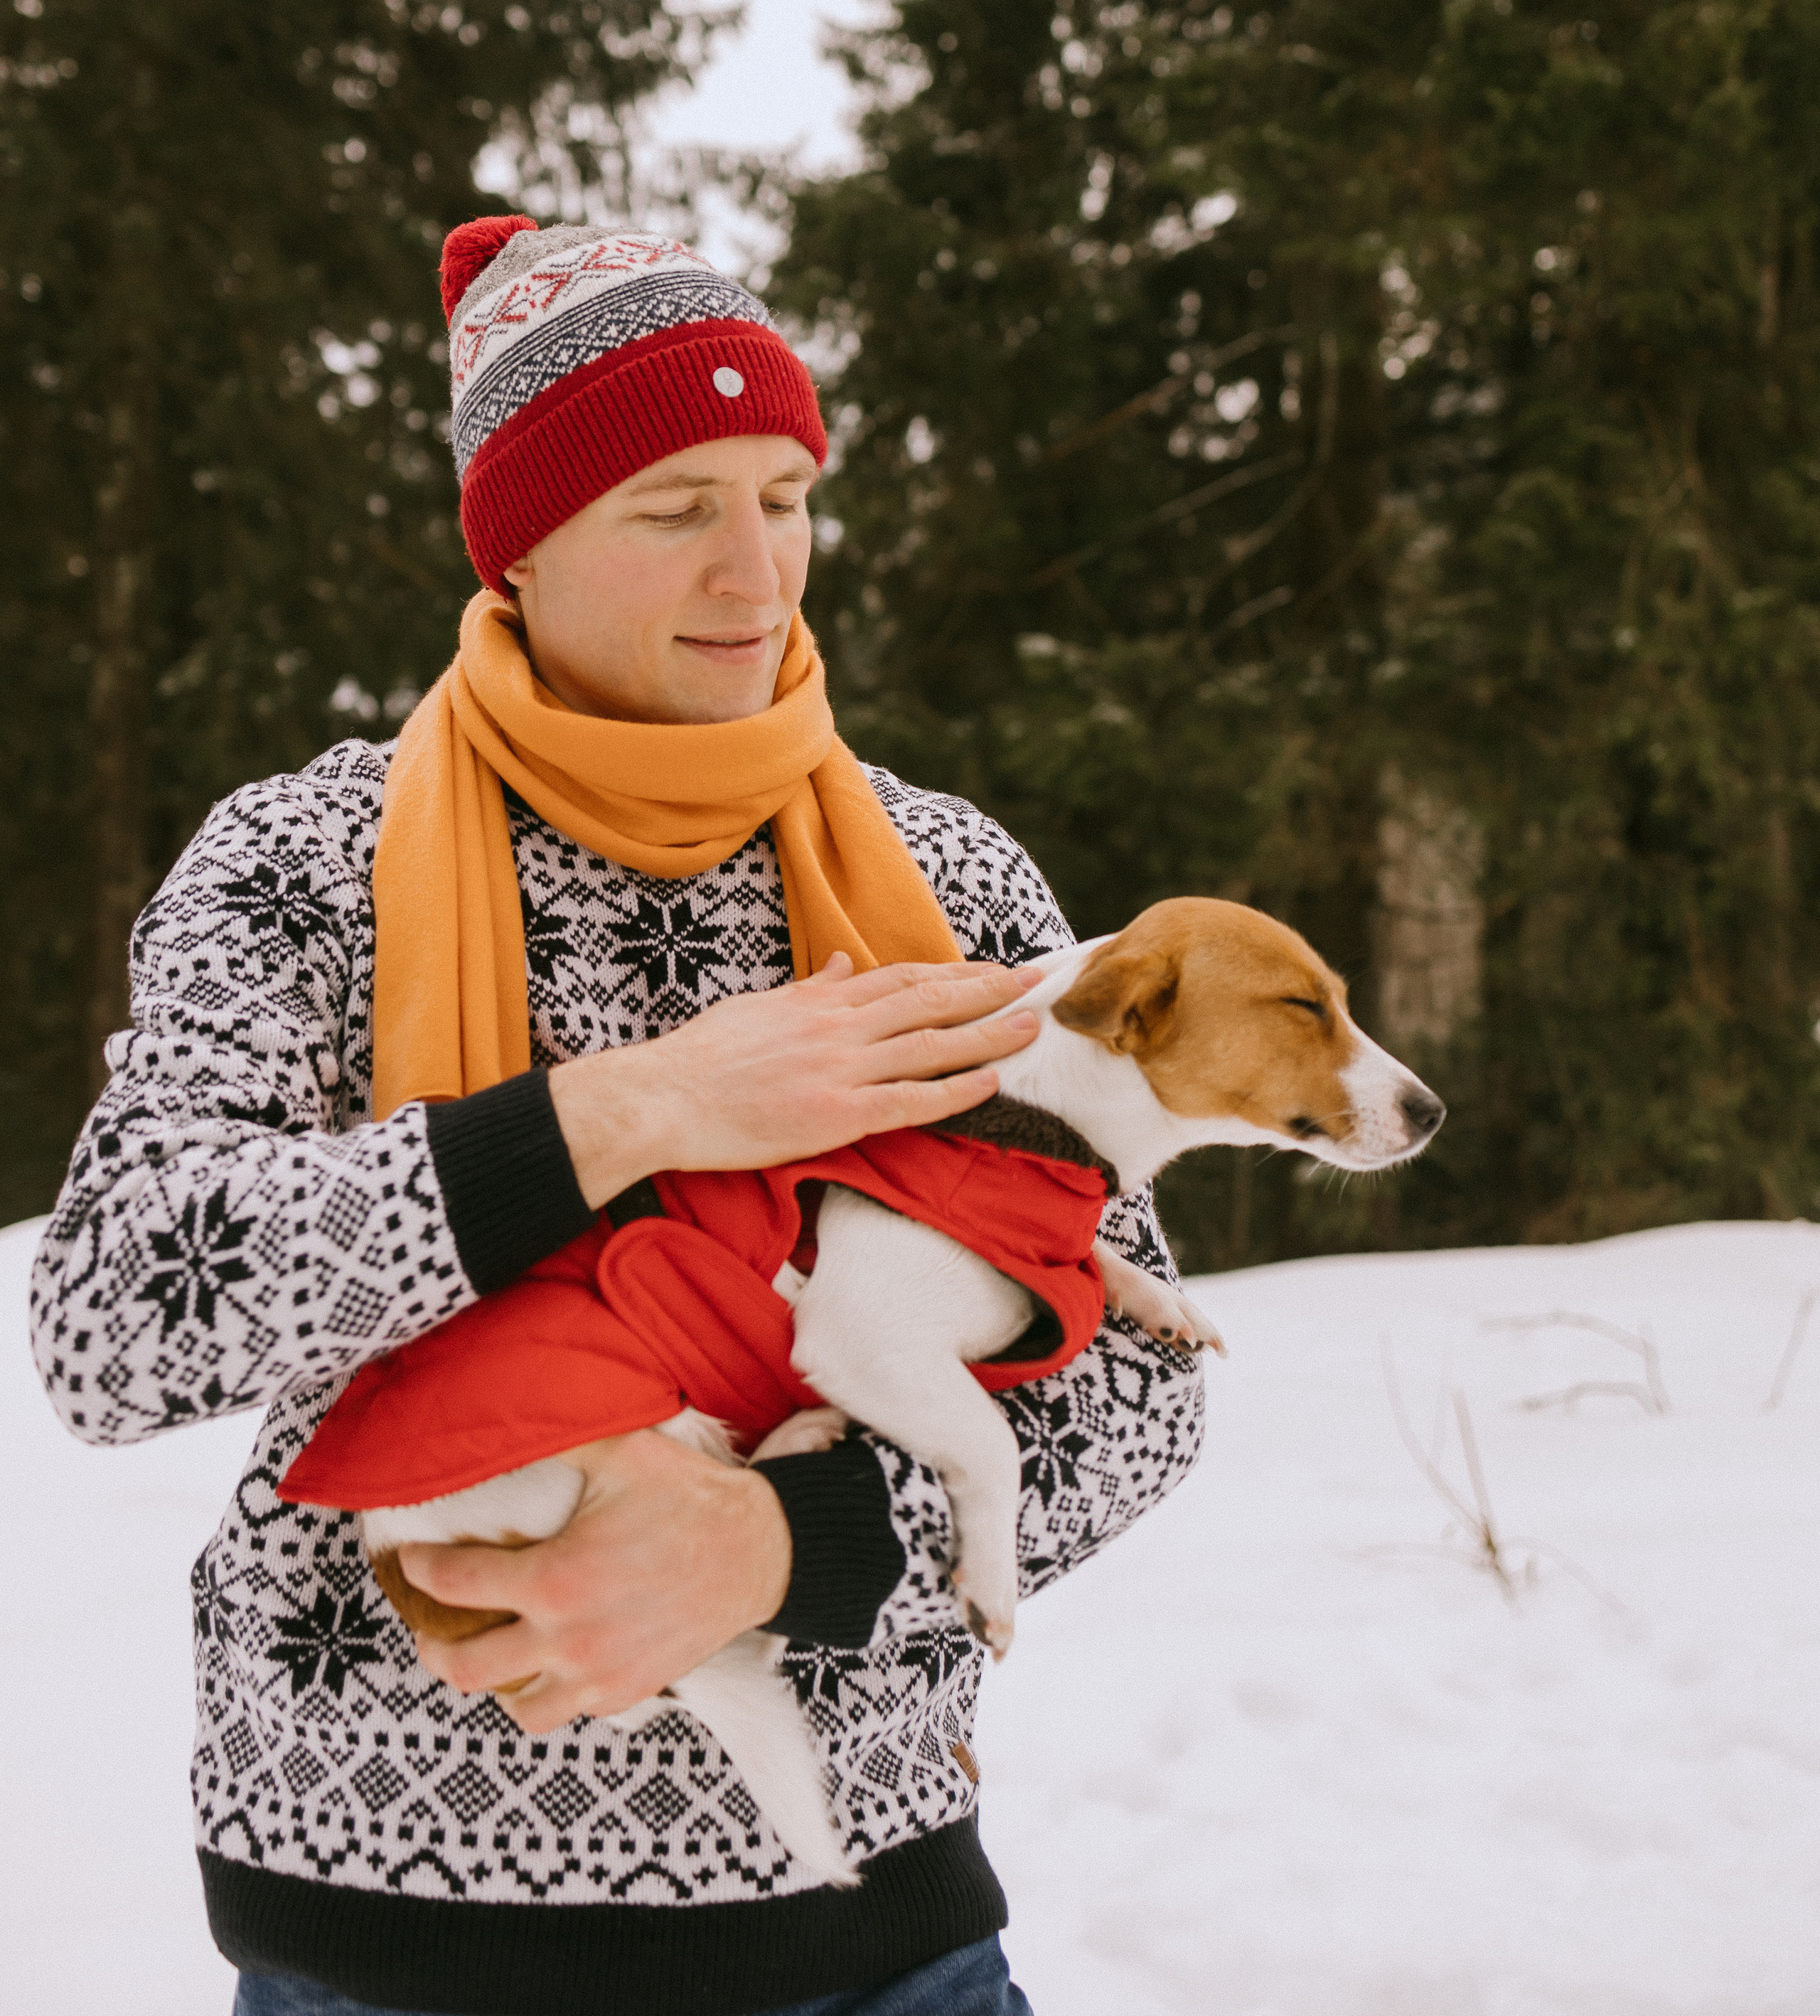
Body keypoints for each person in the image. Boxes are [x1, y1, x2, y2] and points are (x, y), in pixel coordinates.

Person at [30, 219, 1206, 2016]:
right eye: (673, 508)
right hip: (389, 1944)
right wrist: (634, 1107)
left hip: (862, 1922)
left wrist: (780, 1547)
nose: (757, 572)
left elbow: (1134, 1379)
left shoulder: (946, 878)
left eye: (786, 495)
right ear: (518, 546)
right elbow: (114, 1320)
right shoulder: (303, 866)